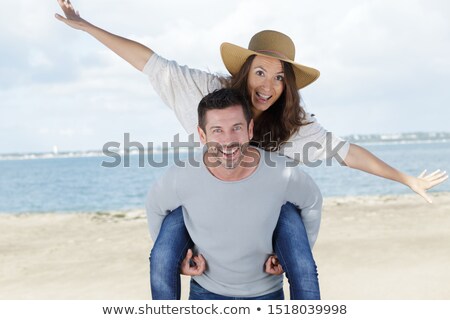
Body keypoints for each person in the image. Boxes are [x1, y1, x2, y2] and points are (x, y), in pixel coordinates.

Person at [55, 0, 448, 299]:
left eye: (279, 77)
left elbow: (346, 152)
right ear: (245, 71)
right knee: (162, 255)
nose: (268, 85)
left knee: (295, 232)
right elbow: (149, 62)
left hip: (264, 209)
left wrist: (405, 178)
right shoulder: (207, 92)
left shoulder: (294, 123)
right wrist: (87, 26)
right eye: (260, 71)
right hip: (209, 197)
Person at [146, 88, 323, 300]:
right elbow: (155, 207)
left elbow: (312, 201)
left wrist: (289, 258)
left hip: (265, 293)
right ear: (202, 135)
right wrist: (179, 258)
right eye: (217, 130)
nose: (228, 140)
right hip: (206, 293)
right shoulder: (182, 176)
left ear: (250, 129)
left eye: (236, 128)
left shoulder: (281, 173)